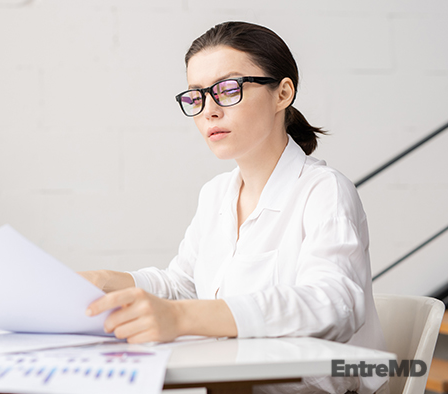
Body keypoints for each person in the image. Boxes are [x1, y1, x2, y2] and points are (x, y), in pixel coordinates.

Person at [79, 21, 388, 394]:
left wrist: (180, 318)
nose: (209, 110)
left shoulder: (324, 191)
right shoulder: (216, 194)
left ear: (282, 93)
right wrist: (111, 283)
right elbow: (185, 285)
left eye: (227, 89)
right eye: (197, 96)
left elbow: (333, 304)